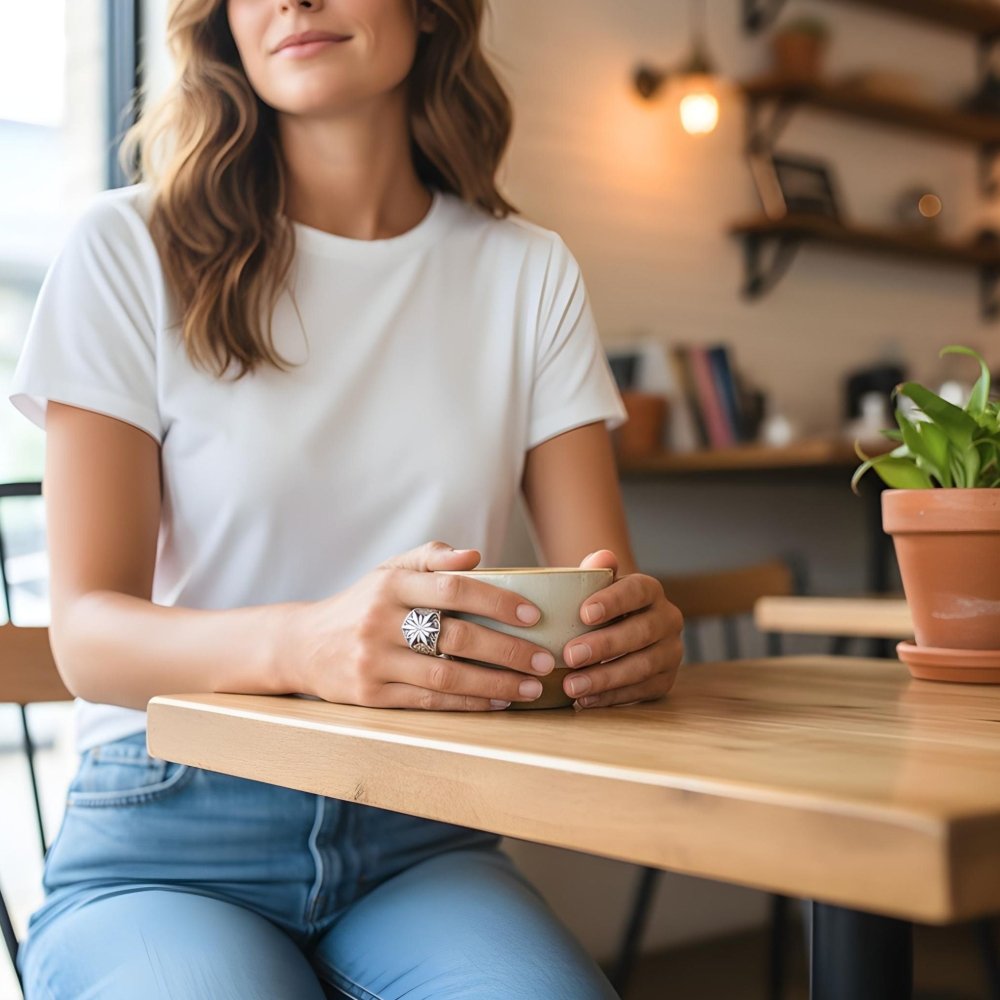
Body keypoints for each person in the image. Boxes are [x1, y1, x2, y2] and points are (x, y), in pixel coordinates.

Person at [8, 0, 683, 995]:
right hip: (167, 845)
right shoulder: (125, 247)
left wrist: (630, 638)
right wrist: (310, 645)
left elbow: (592, 594)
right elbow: (89, 638)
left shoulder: (526, 271)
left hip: (422, 836)